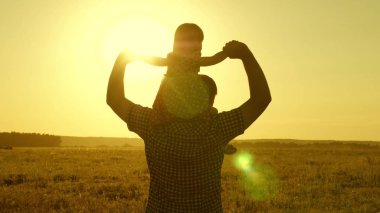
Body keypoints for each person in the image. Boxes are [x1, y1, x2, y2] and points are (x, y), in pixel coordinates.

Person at [106, 23, 271, 212]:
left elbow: (114, 99)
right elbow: (261, 99)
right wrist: (245, 55)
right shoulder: (217, 129)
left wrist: (122, 60)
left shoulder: (152, 125)